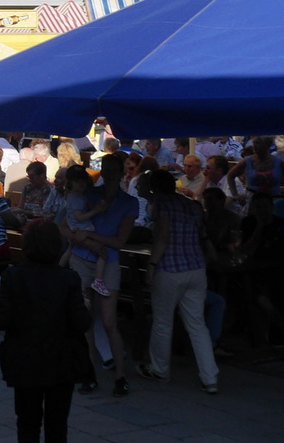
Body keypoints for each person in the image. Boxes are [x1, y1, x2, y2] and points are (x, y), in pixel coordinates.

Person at [0, 219, 91, 443]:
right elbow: (81, 322)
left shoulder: (13, 277)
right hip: (61, 362)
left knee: (28, 418)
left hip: (24, 360)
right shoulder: (68, 279)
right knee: (57, 424)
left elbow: (1, 320)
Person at [136, 170, 219, 393]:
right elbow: (201, 234)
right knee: (197, 324)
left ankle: (159, 369)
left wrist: (152, 265)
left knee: (163, 321)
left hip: (170, 268)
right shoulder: (191, 205)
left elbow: (162, 236)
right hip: (196, 268)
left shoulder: (162, 205)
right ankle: (210, 377)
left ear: (155, 186)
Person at [59, 165, 135, 396]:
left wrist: (90, 236)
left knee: (109, 322)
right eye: (106, 172)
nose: (109, 177)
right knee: (85, 321)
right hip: (83, 258)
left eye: (114, 172)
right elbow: (65, 225)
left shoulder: (129, 202)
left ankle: (120, 376)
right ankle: (88, 373)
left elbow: (120, 241)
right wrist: (90, 242)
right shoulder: (88, 194)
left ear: (121, 174)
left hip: (107, 261)